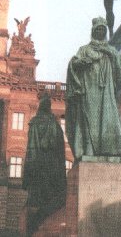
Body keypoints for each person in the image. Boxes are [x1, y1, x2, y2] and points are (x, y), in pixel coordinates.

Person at [66, 17, 121, 160]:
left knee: (108, 118)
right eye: (98, 29)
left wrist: (113, 55)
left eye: (103, 29)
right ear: (93, 31)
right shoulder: (84, 50)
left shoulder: (111, 50)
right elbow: (73, 65)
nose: (100, 31)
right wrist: (80, 63)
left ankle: (110, 150)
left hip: (106, 92)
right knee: (90, 118)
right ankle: (89, 151)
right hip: (89, 89)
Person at [22, 94, 66, 234]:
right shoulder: (55, 125)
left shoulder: (34, 123)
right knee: (48, 200)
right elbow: (60, 150)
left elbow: (31, 148)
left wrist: (27, 171)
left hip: (37, 167)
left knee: (35, 201)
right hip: (51, 169)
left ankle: (34, 227)